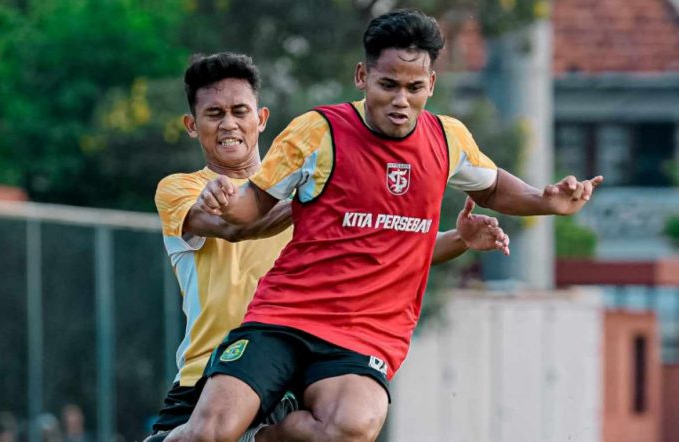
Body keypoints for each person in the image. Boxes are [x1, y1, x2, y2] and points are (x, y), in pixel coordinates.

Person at [167, 9, 603, 442]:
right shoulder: (318, 132)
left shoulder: (447, 139)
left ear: (431, 84)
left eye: (414, 88)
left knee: (352, 426)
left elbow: (491, 187)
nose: (401, 101)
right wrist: (224, 201)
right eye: (388, 85)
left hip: (365, 334)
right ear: (362, 76)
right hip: (285, 317)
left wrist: (546, 201)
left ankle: (260, 437)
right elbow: (251, 210)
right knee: (209, 432)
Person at [149, 51, 510, 441]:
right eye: (214, 114)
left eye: (239, 111)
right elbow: (235, 226)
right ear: (192, 125)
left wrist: (460, 239)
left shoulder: (304, 182)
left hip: (293, 374)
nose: (229, 124)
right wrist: (317, 202)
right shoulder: (181, 189)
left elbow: (398, 252)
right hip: (207, 377)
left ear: (262, 118)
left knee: (345, 425)